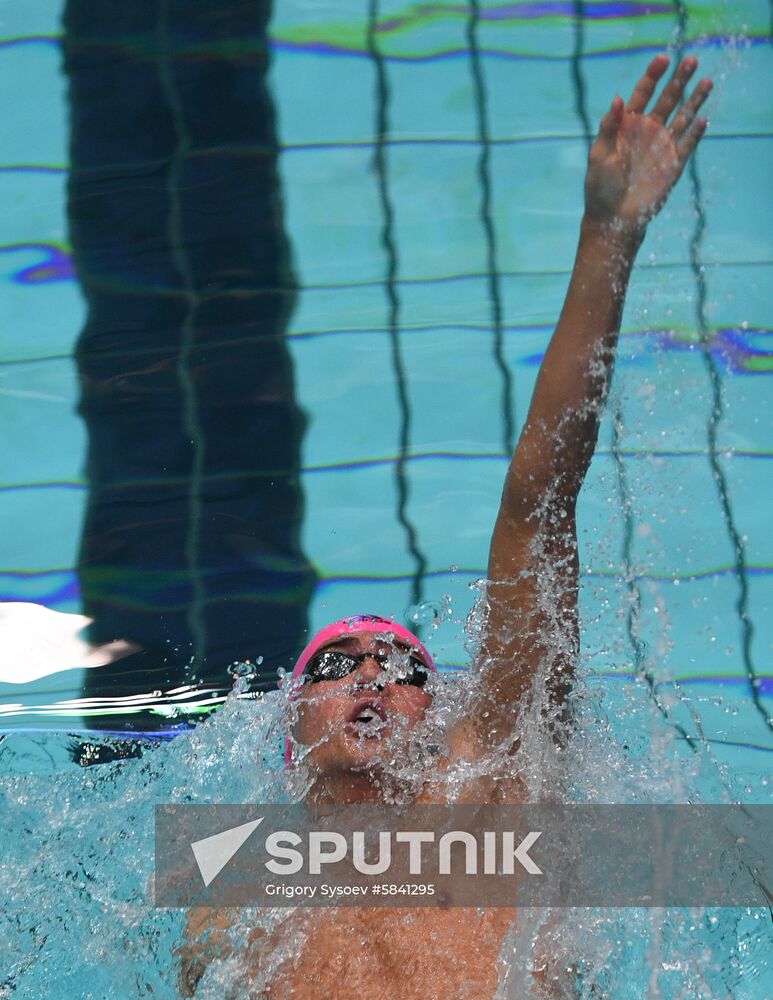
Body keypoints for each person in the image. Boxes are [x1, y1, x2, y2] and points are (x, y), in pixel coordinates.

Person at [179, 54, 712, 998]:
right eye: (336, 666)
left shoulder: (492, 798)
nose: (374, 675)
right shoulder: (228, 889)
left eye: (409, 670)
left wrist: (607, 236)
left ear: (450, 717)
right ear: (285, 730)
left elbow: (535, 509)